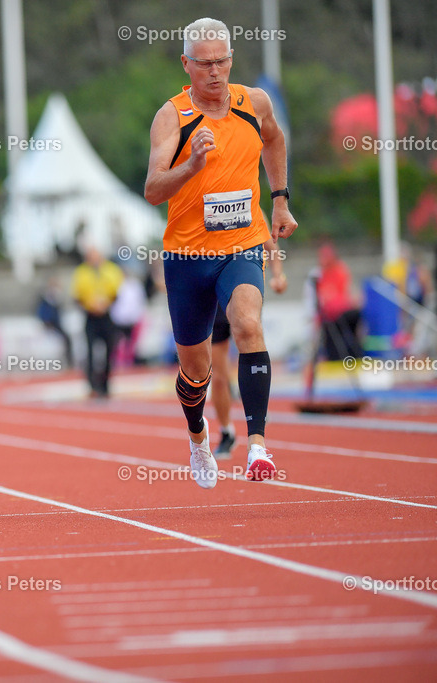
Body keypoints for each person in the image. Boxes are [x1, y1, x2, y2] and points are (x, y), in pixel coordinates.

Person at [144, 17, 298, 488]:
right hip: (188, 257)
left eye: (223, 61)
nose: (215, 71)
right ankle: (197, 437)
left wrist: (279, 199)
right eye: (205, 63)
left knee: (248, 324)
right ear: (186, 65)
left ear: (232, 58)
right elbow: (152, 190)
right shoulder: (172, 116)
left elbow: (274, 138)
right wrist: (191, 164)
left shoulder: (253, 102)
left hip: (242, 243)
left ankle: (258, 447)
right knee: (196, 372)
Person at [211, 238, 287, 458]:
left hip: (243, 285)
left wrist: (278, 275)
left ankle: (256, 415)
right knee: (218, 375)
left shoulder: (250, 205)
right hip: (213, 293)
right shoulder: (198, 203)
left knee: (250, 339)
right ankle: (227, 431)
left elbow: (270, 244)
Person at [72, 246, 124, 397]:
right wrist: (90, 306)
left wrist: (105, 304)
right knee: (90, 352)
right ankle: (92, 386)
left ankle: (105, 385)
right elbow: (77, 296)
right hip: (90, 317)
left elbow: (117, 293)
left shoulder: (111, 270)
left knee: (109, 351)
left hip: (107, 316)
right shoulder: (81, 272)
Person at [314, 241, 364, 360]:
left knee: (345, 325)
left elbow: (344, 292)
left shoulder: (339, 270)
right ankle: (337, 355)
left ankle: (352, 354)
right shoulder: (321, 274)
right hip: (331, 313)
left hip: (340, 311)